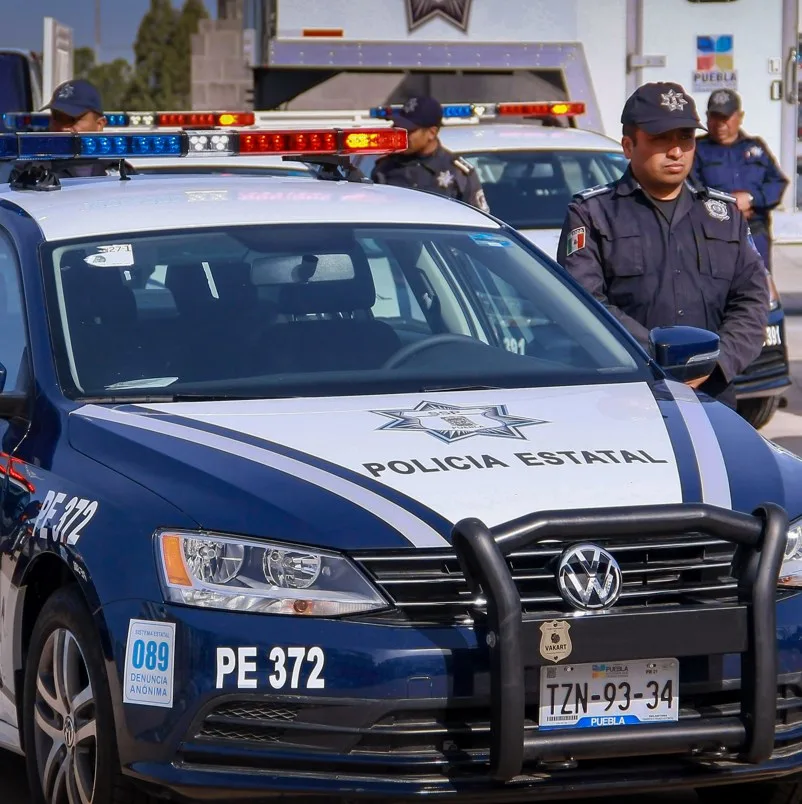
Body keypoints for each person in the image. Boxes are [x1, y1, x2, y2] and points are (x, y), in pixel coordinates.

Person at [556, 81, 768, 408]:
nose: (676, 151)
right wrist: (662, 360)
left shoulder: (723, 215)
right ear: (628, 145)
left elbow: (752, 299)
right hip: (626, 395)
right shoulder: (593, 214)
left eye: (685, 137)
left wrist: (717, 361)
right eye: (660, 139)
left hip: (712, 396)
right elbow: (584, 306)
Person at [693, 88, 788, 271]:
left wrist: (752, 199)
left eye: (725, 117)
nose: (720, 124)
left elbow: (777, 182)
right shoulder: (697, 150)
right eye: (715, 117)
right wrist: (729, 206)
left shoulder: (756, 148)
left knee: (759, 291)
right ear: (706, 117)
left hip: (755, 232)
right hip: (714, 236)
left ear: (740, 116)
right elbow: (691, 189)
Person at [372, 96, 490, 212]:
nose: (400, 135)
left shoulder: (458, 172)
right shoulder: (385, 168)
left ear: (431, 133)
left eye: (408, 131)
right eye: (397, 128)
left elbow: (479, 222)